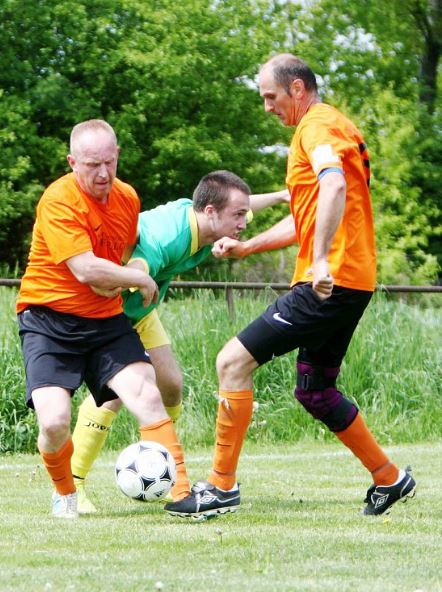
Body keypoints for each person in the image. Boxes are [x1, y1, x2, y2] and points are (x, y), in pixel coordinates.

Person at [164, 54, 417, 520]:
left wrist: (319, 260)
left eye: (270, 96)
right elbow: (309, 217)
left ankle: (220, 487)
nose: (267, 107)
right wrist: (247, 247)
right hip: (351, 282)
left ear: (297, 89)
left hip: (327, 283)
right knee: (315, 391)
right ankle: (388, 477)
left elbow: (333, 186)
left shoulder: (315, 127)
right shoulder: (335, 126)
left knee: (231, 362)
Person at [70, 169, 289, 513]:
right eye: (238, 215)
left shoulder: (209, 219)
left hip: (141, 311)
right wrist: (121, 279)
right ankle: (73, 485)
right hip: (108, 312)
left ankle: (157, 466)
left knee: (171, 386)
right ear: (211, 212)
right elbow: (140, 265)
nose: (243, 222)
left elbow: (244, 207)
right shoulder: (169, 236)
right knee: (115, 395)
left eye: (243, 213)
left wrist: (280, 196)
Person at [16, 119, 191, 518]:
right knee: (54, 423)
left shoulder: (127, 198)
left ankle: (182, 493)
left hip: (105, 320)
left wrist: (121, 276)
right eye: (92, 164)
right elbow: (86, 270)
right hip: (48, 321)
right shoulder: (58, 200)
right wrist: (135, 278)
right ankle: (65, 492)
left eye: (109, 162)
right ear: (72, 162)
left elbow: (122, 253)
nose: (102, 173)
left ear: (117, 156)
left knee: (148, 395)